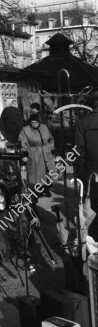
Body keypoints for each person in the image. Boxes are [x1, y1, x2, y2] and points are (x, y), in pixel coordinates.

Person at [75, 88, 98, 240]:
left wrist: (82, 177)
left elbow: (79, 154)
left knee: (92, 213)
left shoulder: (82, 122)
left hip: (91, 176)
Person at [19, 113, 56, 197]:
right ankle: (37, 191)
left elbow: (51, 139)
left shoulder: (44, 127)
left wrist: (50, 149)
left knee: (48, 172)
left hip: (46, 152)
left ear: (39, 122)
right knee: (37, 173)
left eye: (36, 122)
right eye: (32, 122)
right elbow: (24, 143)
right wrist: (25, 153)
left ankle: (46, 189)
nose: (34, 124)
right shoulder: (26, 130)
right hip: (34, 153)